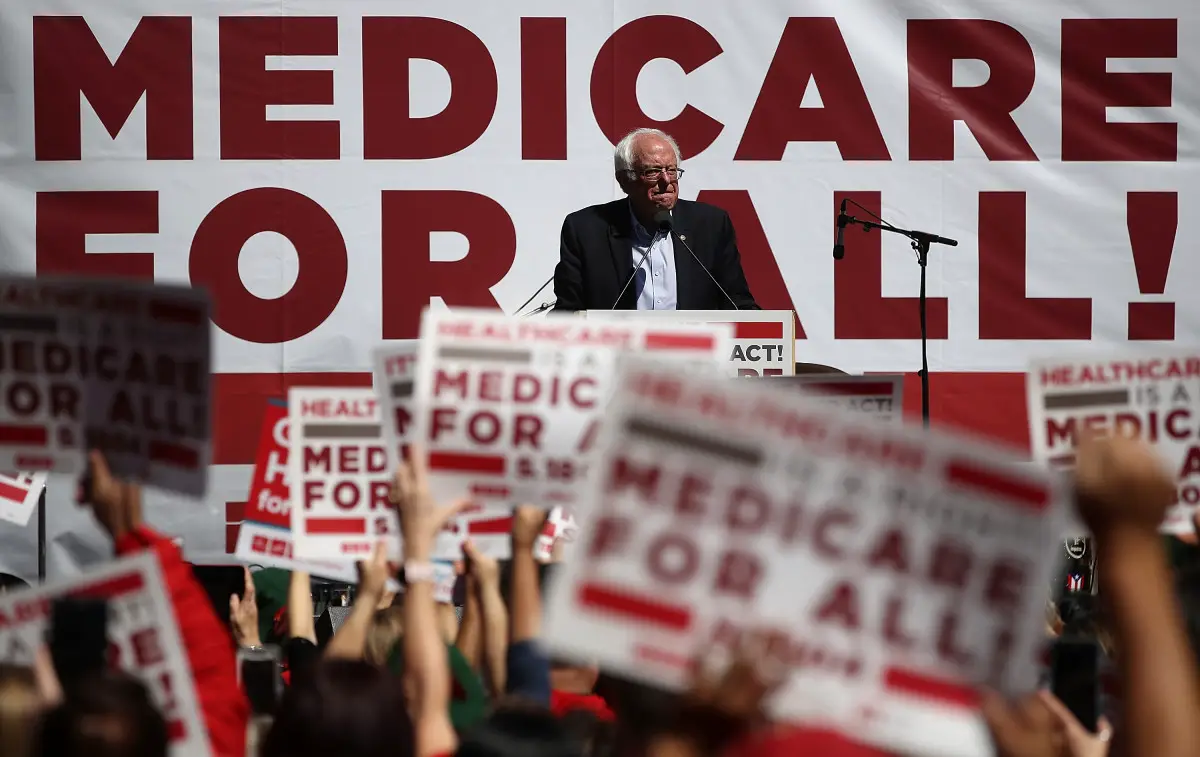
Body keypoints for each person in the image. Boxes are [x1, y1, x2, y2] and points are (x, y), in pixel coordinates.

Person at [552, 128, 758, 312]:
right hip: (618, 352)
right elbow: (569, 312)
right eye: (652, 172)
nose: (666, 180)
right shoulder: (587, 230)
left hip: (694, 352)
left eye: (671, 170)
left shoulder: (710, 224)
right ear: (624, 179)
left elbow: (737, 303)